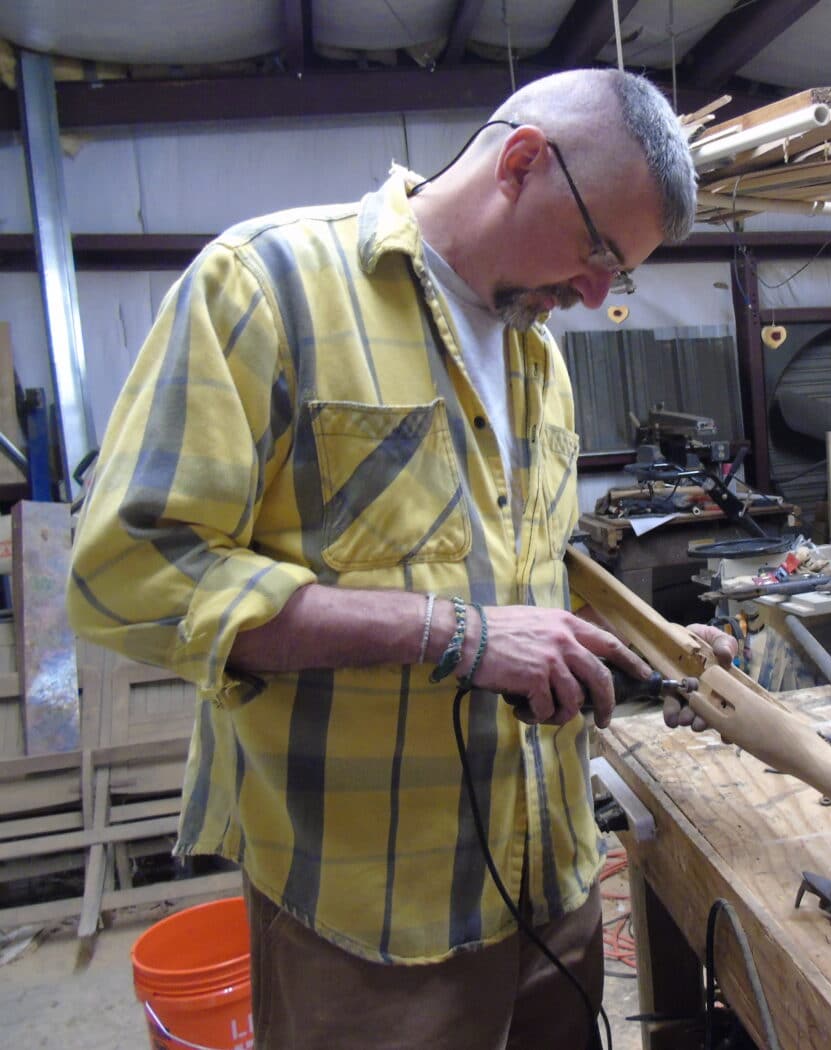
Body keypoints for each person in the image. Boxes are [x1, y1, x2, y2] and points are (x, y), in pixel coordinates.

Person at [67, 68, 732, 1049]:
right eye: (597, 251)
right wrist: (449, 635)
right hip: (369, 910)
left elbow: (512, 589)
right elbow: (127, 573)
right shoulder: (266, 284)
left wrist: (639, 647)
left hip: (548, 877)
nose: (595, 293)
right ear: (519, 162)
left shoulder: (534, 357)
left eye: (618, 274)